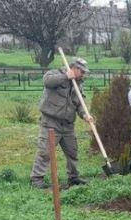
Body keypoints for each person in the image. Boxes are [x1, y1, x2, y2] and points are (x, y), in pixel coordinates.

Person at [30, 57, 94, 189]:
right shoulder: (55, 74)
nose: (83, 75)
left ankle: (74, 177)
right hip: (51, 123)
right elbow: (47, 82)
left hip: (68, 125)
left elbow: (79, 104)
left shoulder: (78, 84)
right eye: (81, 72)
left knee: (72, 152)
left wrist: (84, 115)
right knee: (45, 151)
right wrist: (66, 76)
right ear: (74, 68)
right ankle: (37, 179)